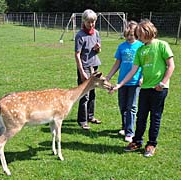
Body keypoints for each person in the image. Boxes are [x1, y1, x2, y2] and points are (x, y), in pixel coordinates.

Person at [110, 19, 175, 157]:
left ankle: (151, 144)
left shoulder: (162, 45)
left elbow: (171, 66)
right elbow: (133, 70)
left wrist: (162, 83)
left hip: (159, 89)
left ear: (147, 32)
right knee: (141, 116)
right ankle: (137, 141)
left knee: (155, 118)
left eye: (139, 34)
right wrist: (120, 85)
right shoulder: (140, 49)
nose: (138, 37)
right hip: (144, 88)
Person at [106, 21, 143, 142]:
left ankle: (130, 132)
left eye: (132, 34)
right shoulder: (121, 47)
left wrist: (142, 77)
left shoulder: (140, 46)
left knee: (131, 107)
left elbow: (142, 65)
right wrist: (109, 77)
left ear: (136, 34)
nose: (129, 37)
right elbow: (117, 63)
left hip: (134, 82)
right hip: (121, 82)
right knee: (122, 106)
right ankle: (125, 126)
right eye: (127, 35)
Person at [74, 9, 102, 130]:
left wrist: (98, 48)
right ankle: (82, 120)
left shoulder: (96, 33)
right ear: (84, 21)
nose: (91, 24)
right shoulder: (80, 35)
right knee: (84, 95)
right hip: (84, 67)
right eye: (89, 22)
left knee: (92, 93)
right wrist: (81, 72)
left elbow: (98, 50)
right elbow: (77, 54)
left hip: (94, 66)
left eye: (93, 22)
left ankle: (91, 116)